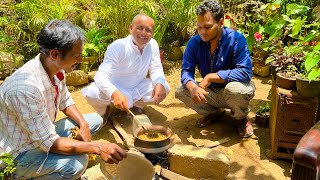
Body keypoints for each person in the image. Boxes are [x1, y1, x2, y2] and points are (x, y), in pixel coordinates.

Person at [0, 20, 126, 179]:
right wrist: (97, 147)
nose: (80, 60)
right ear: (54, 54)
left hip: (39, 134)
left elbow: (65, 101)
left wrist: (84, 124)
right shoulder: (25, 89)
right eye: (76, 55)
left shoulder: (55, 69)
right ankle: (22, 176)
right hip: (21, 152)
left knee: (94, 120)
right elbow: (49, 142)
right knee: (76, 165)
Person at [175, 0, 256, 138]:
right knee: (182, 91)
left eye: (207, 27)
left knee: (234, 90)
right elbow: (186, 71)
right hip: (211, 93)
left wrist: (210, 77)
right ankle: (213, 113)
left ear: (221, 22)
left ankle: (240, 118)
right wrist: (193, 88)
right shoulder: (194, 42)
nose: (202, 32)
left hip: (232, 91)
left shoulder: (237, 39)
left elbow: (245, 72)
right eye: (199, 27)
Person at [81, 14, 170, 120]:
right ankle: (103, 111)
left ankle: (137, 106)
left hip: (137, 87)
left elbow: (156, 68)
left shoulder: (153, 45)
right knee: (92, 93)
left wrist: (159, 84)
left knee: (164, 86)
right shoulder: (117, 47)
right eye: (140, 28)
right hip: (116, 87)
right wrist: (114, 93)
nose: (143, 33)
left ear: (152, 33)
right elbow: (101, 76)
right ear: (131, 28)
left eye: (148, 30)